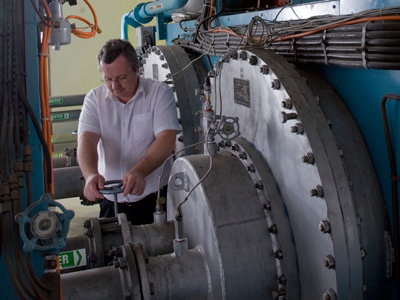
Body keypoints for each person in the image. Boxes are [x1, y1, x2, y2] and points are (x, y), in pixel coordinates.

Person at [77, 39, 181, 225]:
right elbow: (87, 140)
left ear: (137, 68)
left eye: (121, 78)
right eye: (108, 79)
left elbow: (166, 139)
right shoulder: (94, 99)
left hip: (155, 198)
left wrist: (140, 171)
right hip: (111, 200)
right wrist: (90, 174)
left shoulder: (159, 93)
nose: (115, 87)